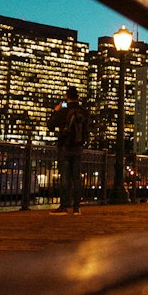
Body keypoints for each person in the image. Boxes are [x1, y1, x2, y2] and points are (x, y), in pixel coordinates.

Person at [49, 85, 88, 213]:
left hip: (65, 147)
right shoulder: (83, 111)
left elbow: (50, 126)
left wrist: (56, 110)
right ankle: (77, 207)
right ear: (77, 97)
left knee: (65, 177)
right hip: (78, 147)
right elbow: (87, 130)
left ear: (67, 97)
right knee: (77, 178)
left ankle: (64, 206)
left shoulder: (64, 110)